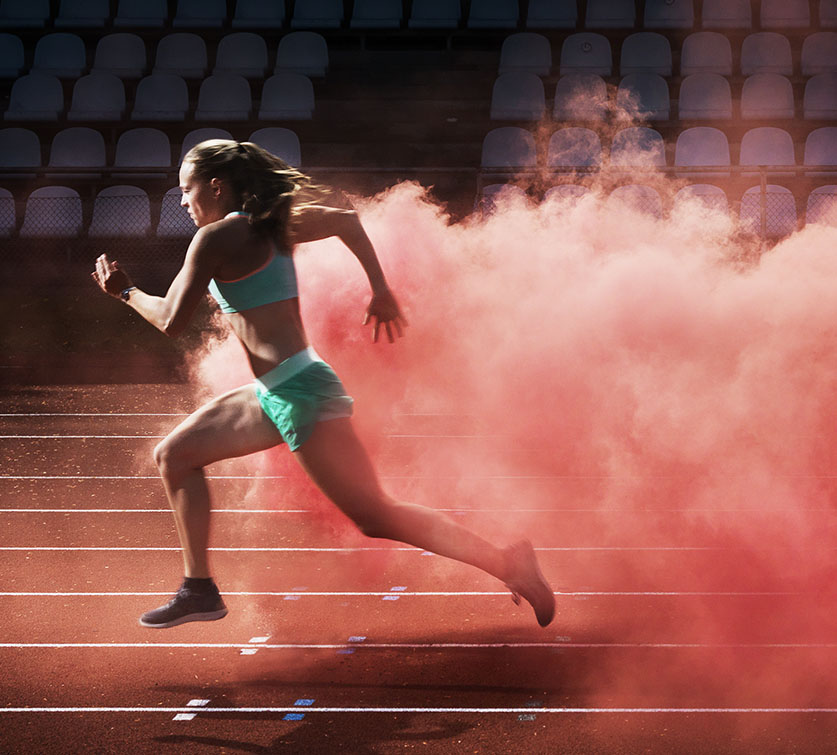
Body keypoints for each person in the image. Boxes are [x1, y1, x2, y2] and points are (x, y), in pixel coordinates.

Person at [91, 139, 555, 629]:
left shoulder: (216, 239)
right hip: (277, 391)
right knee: (175, 455)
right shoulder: (272, 225)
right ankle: (199, 588)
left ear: (216, 186)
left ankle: (508, 562)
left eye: (186, 190)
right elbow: (345, 218)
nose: (182, 201)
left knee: (375, 516)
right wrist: (379, 288)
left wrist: (124, 291)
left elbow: (171, 320)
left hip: (300, 394)